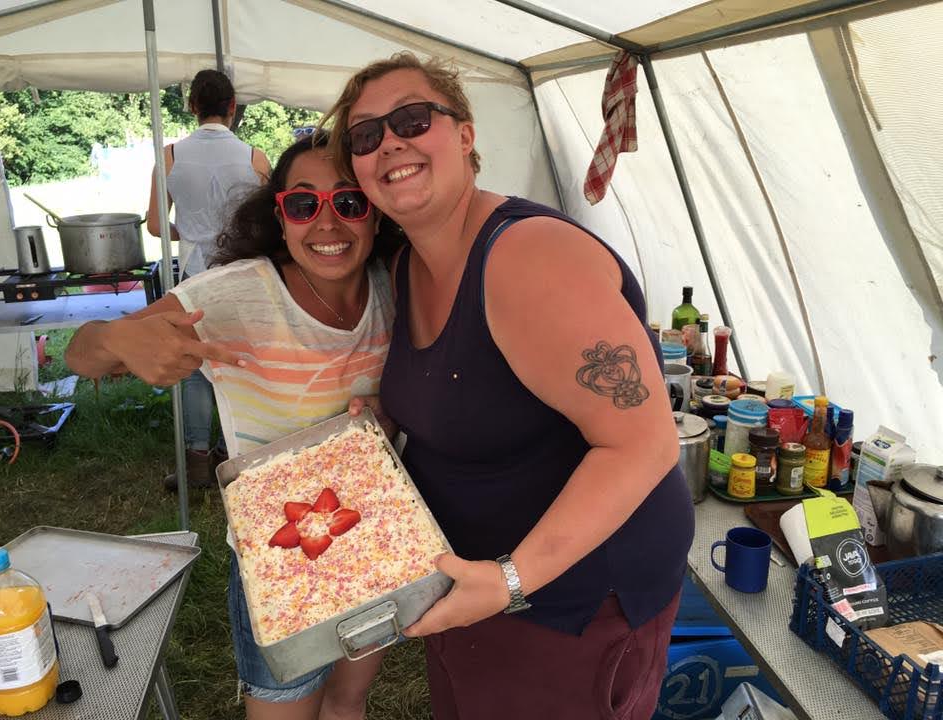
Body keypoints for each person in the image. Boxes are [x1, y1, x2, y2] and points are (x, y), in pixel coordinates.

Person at [324, 53, 695, 720]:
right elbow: (480, 393)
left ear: (465, 135)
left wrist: (509, 580)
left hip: (574, 605)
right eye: (367, 135)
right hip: (474, 591)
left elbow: (644, 445)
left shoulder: (527, 258)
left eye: (412, 118)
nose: (392, 143)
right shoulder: (409, 264)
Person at [65, 130, 399, 720]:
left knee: (349, 703)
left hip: (375, 545)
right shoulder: (235, 295)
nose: (327, 222)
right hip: (278, 562)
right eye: (303, 203)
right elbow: (81, 353)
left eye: (349, 201)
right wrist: (117, 337)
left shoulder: (394, 289)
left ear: (376, 210)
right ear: (280, 215)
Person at [146, 68, 272, 490]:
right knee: (235, 361)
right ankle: (230, 451)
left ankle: (197, 459)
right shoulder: (255, 157)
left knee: (194, 364)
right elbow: (271, 222)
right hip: (243, 273)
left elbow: (155, 226)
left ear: (193, 106)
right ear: (233, 107)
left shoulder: (170, 156)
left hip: (194, 273)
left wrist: (192, 231)